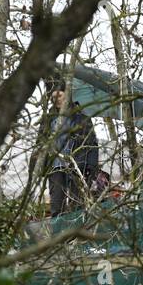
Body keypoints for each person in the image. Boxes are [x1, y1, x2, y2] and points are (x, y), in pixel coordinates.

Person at [47, 84, 101, 216]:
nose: (57, 99)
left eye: (59, 95)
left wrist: (91, 167)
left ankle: (77, 234)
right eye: (53, 97)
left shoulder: (81, 117)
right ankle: (58, 235)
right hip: (55, 167)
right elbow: (40, 143)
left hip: (77, 165)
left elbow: (92, 142)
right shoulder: (48, 119)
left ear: (67, 95)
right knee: (56, 204)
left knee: (76, 204)